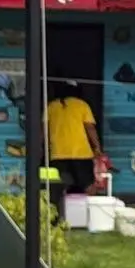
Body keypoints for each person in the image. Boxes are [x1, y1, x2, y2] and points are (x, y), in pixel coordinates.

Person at [45, 81, 102, 223]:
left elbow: (43, 130)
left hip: (58, 154)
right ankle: (93, 218)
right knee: (88, 185)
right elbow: (90, 128)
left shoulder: (51, 106)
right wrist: (97, 147)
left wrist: (41, 148)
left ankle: (57, 218)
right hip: (81, 153)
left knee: (59, 187)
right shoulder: (82, 105)